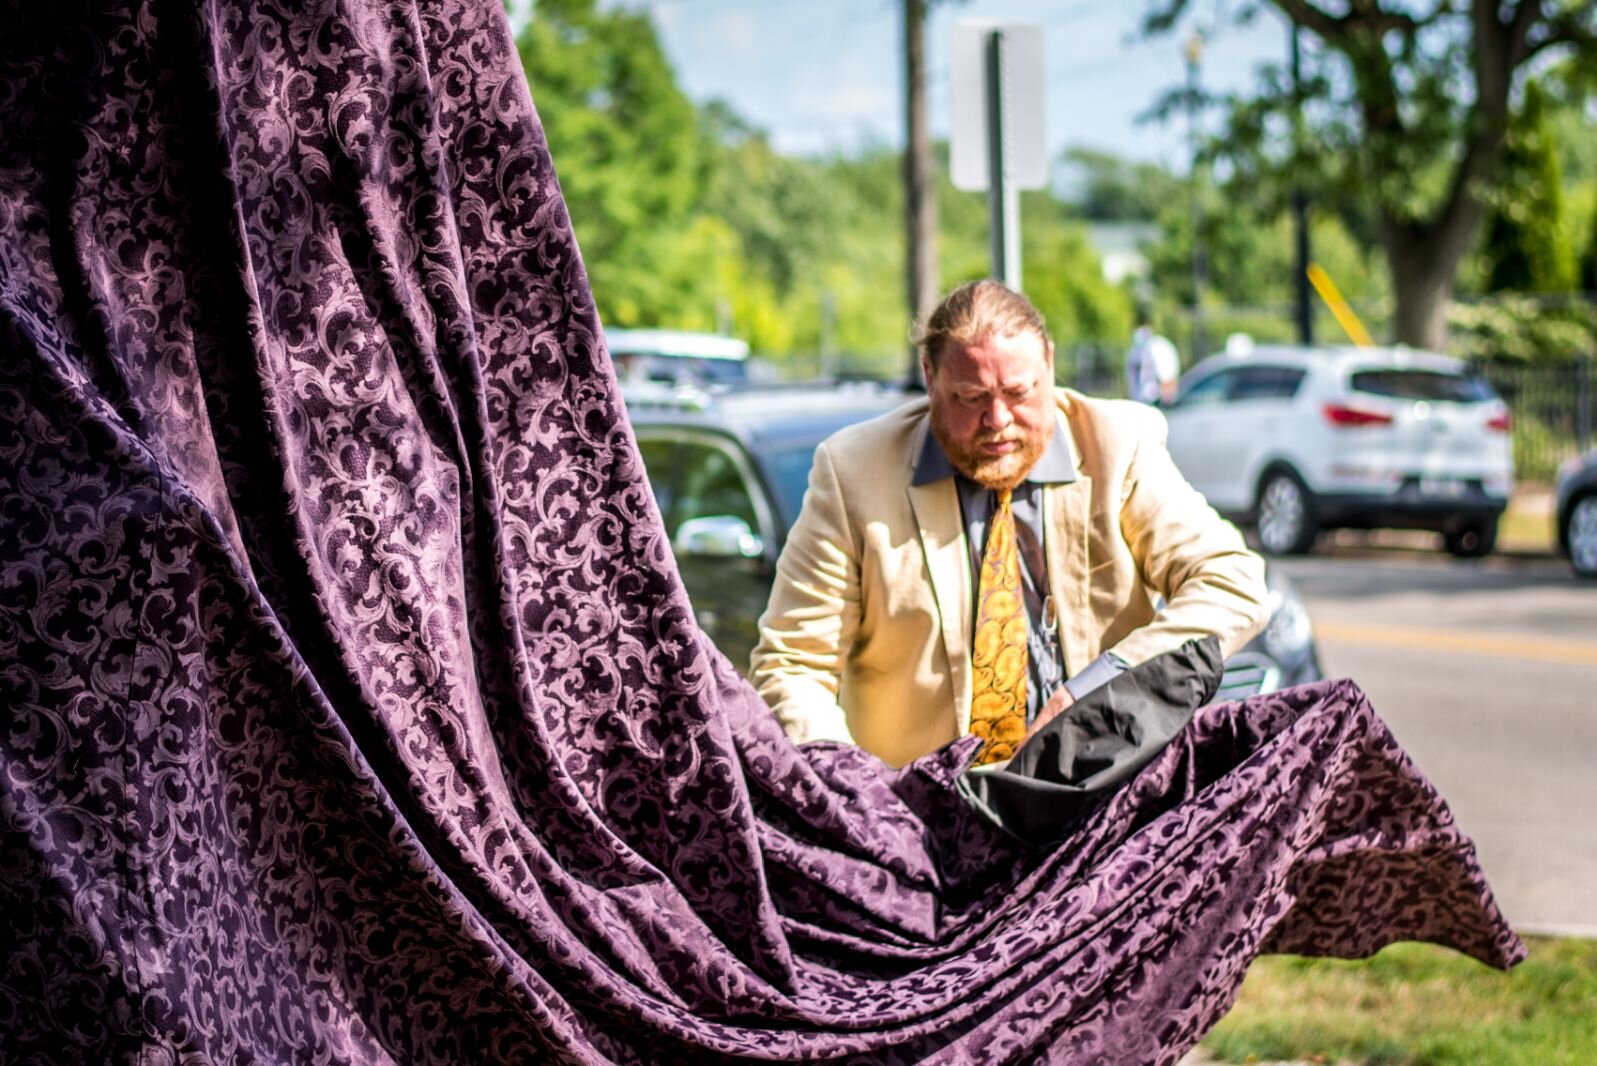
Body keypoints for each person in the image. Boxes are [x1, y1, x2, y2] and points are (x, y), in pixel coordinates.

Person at [750, 280, 1268, 767]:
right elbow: (792, 666)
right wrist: (857, 792)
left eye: (1018, 394)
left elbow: (1233, 584)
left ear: (1050, 365)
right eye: (971, 398)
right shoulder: (852, 472)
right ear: (930, 379)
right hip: (922, 824)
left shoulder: (1118, 445)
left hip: (1105, 800)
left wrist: (1098, 690)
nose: (997, 420)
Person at [1124, 316, 1182, 405]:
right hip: (1141, 399)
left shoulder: (1158, 347)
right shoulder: (1135, 352)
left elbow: (1166, 377)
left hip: (1155, 399)